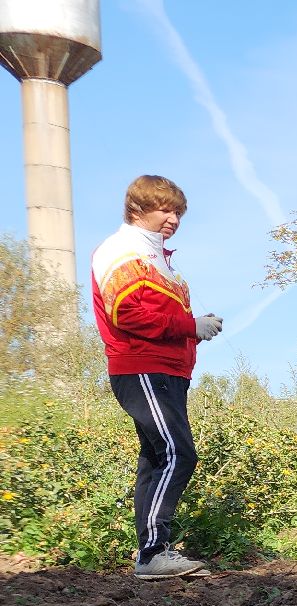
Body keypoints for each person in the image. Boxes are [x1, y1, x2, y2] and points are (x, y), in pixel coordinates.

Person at [91, 174, 225, 579]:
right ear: (137, 209)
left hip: (166, 370)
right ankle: (153, 553)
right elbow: (126, 313)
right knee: (178, 453)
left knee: (155, 458)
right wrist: (190, 325)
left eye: (178, 212)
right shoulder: (122, 250)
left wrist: (194, 331)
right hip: (141, 366)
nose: (173, 219)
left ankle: (151, 554)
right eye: (164, 209)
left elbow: (153, 313)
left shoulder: (156, 257)